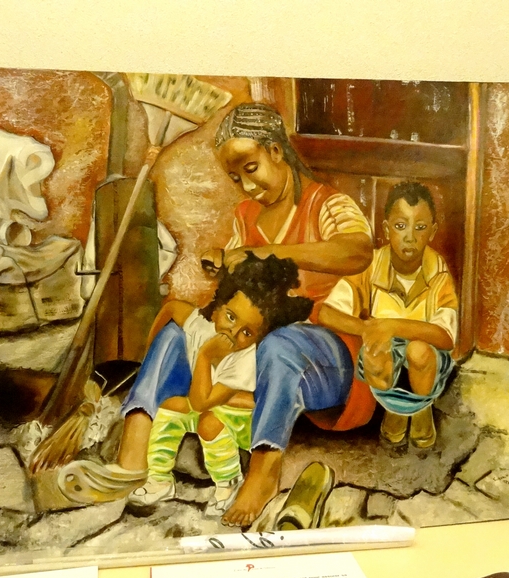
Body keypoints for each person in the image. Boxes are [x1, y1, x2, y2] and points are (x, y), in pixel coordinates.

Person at [80, 102, 376, 526]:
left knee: (280, 343)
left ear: (276, 151)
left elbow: (357, 251)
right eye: (236, 178)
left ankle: (264, 471)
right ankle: (134, 452)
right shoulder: (246, 216)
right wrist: (224, 268)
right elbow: (241, 297)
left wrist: (267, 252)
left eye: (251, 168)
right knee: (179, 331)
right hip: (252, 348)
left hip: (323, 357)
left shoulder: (327, 204)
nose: (246, 186)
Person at [127, 253, 313, 516]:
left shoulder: (244, 357)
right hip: (211, 402)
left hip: (243, 420)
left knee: (208, 422)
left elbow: (201, 403)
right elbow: (171, 309)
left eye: (247, 332)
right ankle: (160, 480)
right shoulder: (200, 325)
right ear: (216, 309)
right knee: (170, 406)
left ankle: (228, 482)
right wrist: (146, 356)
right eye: (230, 317)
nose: (233, 333)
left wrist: (205, 356)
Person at [319, 182, 457, 450]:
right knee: (376, 350)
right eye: (400, 226)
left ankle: (421, 408)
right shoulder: (371, 266)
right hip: (386, 356)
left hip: (425, 358)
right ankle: (394, 409)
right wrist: (367, 329)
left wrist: (390, 326)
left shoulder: (438, 272)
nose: (410, 237)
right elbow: (327, 312)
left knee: (418, 351)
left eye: (420, 227)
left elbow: (445, 336)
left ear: (432, 231)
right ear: (386, 229)